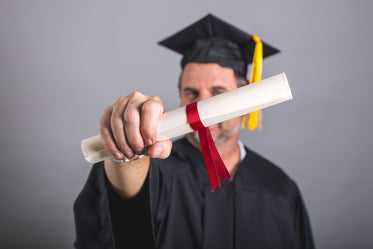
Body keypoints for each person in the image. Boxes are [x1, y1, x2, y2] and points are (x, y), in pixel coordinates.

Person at [74, 14, 315, 249]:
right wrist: (127, 153)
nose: (201, 105)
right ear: (180, 97)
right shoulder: (157, 167)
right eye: (191, 93)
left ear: (245, 102)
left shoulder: (279, 188)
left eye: (218, 93)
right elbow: (113, 230)